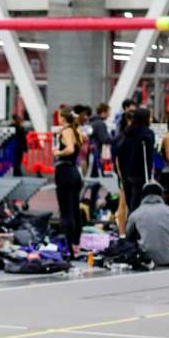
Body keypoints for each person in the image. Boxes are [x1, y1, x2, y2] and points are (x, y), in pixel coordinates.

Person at [53, 107, 84, 257]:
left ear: (63, 118)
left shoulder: (65, 131)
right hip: (75, 172)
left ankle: (68, 246)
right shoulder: (77, 131)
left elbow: (70, 149)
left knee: (66, 211)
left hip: (64, 171)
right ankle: (76, 244)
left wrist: (58, 152)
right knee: (75, 209)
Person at [126, 182, 169, 266]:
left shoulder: (136, 213)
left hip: (145, 260)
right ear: (161, 195)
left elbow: (128, 236)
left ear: (143, 196)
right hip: (168, 259)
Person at [117, 108, 155, 214]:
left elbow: (118, 150)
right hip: (140, 173)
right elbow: (148, 155)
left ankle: (130, 226)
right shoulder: (147, 133)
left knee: (130, 202)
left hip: (126, 172)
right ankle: (135, 228)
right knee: (138, 203)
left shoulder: (126, 132)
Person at [89, 103, 113, 178]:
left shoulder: (92, 122)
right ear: (103, 112)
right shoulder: (100, 124)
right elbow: (104, 139)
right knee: (98, 176)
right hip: (96, 153)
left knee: (95, 176)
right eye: (108, 112)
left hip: (92, 153)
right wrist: (114, 138)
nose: (109, 115)